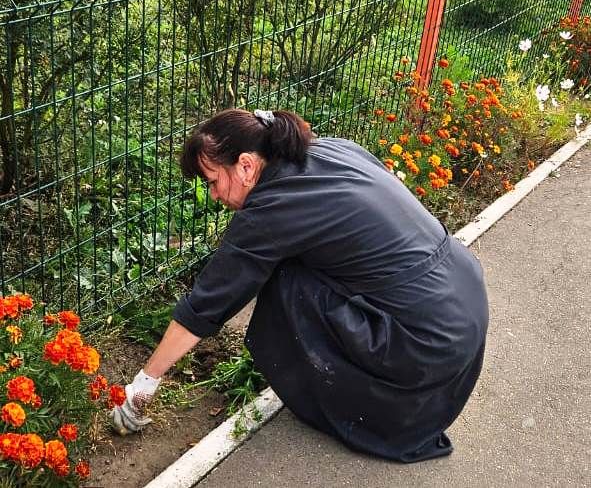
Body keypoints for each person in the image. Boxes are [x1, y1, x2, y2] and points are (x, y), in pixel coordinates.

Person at [111, 109, 489, 463]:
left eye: (213, 182)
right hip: (463, 304)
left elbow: (206, 304)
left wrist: (145, 382)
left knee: (287, 279)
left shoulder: (272, 209)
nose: (213, 196)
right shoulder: (332, 150)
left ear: (245, 165)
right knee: (296, 263)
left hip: (424, 341)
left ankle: (343, 397)